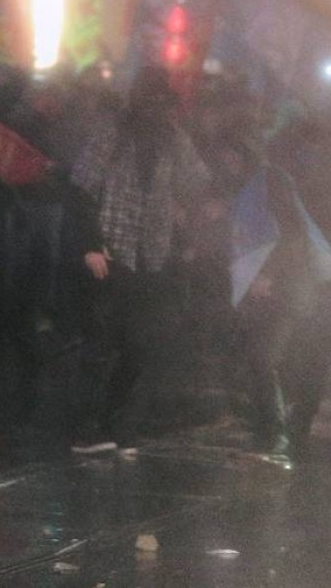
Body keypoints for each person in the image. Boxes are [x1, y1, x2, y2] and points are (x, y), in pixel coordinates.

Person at [67, 66, 207, 457]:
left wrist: (187, 225)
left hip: (152, 255)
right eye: (153, 99)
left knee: (141, 344)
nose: (158, 107)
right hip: (113, 251)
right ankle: (87, 429)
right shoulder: (112, 135)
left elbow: (198, 182)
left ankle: (116, 426)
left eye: (164, 101)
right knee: (100, 344)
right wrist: (90, 245)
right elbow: (80, 191)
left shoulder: (173, 140)